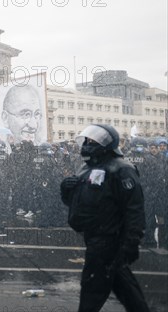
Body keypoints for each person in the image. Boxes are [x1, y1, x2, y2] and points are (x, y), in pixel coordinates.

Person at [60, 124, 150, 312]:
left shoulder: (121, 169)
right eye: (86, 140)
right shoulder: (87, 168)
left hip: (109, 241)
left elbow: (134, 209)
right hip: (94, 239)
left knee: (91, 294)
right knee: (129, 293)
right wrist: (66, 190)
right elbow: (79, 203)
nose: (86, 144)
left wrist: (131, 242)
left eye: (92, 141)